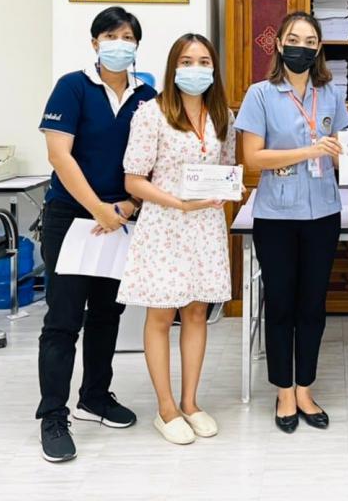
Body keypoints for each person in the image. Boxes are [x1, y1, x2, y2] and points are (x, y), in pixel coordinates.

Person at [35, 6, 157, 463]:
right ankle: (53, 414)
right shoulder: (72, 87)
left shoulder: (148, 95)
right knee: (64, 319)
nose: (118, 44)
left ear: (136, 46)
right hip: (72, 217)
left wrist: (125, 208)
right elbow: (59, 156)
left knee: (108, 313)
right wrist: (98, 209)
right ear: (94, 43)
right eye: (110, 36)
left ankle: (95, 397)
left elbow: (156, 159)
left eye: (127, 38)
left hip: (122, 217)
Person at [234, 11, 348, 433]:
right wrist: (309, 151)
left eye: (310, 41)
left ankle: (305, 388)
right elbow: (253, 158)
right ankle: (284, 391)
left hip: (323, 213)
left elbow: (345, 150)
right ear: (280, 45)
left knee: (313, 306)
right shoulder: (261, 95)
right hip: (277, 216)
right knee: (281, 304)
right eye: (294, 39)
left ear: (319, 49)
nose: (302, 47)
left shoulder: (330, 94)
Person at [118, 34, 235, 445]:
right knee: (162, 316)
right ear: (173, 67)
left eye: (204, 62)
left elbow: (226, 168)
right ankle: (166, 408)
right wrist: (178, 203)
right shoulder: (151, 114)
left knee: (197, 312)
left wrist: (228, 190)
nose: (195, 69)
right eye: (186, 61)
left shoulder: (222, 116)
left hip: (205, 226)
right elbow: (133, 180)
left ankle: (190, 402)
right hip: (165, 224)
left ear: (213, 69)